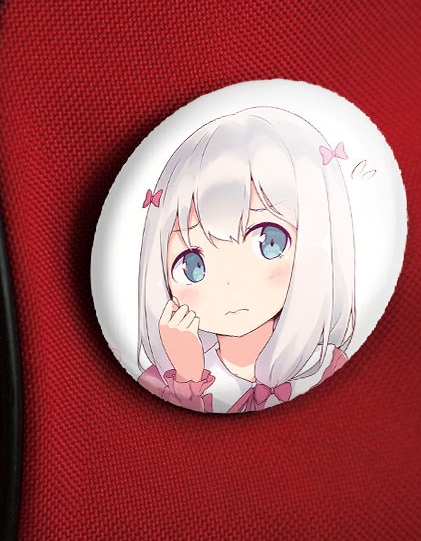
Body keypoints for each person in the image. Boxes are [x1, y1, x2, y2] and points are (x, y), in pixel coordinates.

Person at [137, 106, 355, 413]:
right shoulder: (170, 381)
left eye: (269, 243)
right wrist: (187, 376)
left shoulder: (324, 365)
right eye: (193, 266)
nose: (230, 284)